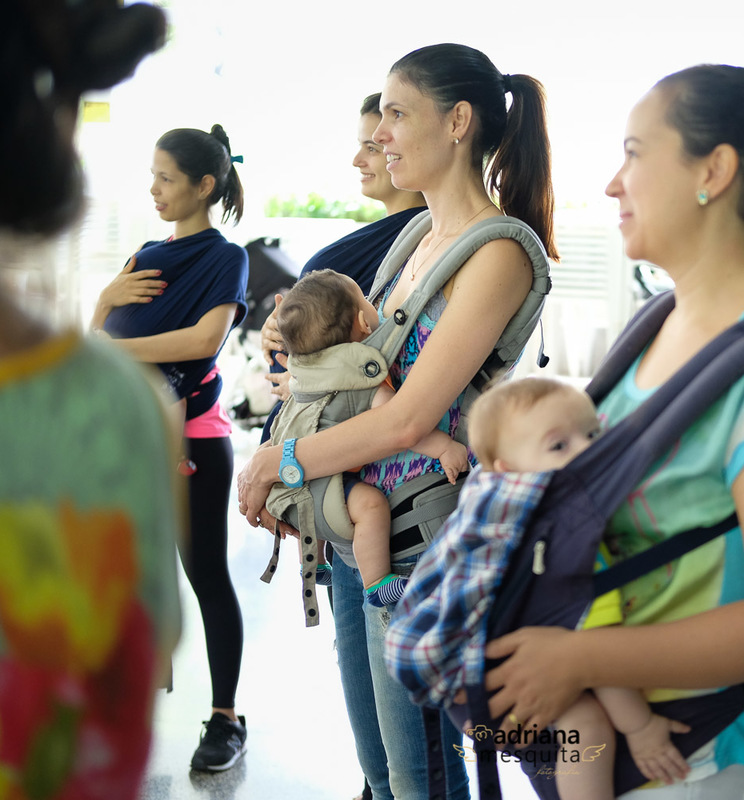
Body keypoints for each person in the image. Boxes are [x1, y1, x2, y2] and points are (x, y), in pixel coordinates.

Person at [479, 65, 744, 799]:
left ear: (712, 171)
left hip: (704, 759)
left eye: (633, 153)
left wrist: (578, 661)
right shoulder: (656, 324)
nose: (612, 184)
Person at [237, 42, 557, 800]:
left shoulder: (501, 253)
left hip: (419, 547)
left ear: (458, 122)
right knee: (381, 773)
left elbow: (409, 418)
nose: (379, 134)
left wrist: (279, 463)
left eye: (396, 114)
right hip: (358, 529)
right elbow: (364, 372)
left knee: (423, 778)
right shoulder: (414, 237)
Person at [0, 3, 180, 799]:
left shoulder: (201, 266)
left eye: (166, 178)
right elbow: (103, 736)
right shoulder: (109, 409)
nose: (155, 190)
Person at [91, 125, 250, 770]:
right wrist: (103, 300)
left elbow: (202, 342)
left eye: (166, 178)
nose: (153, 190)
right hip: (128, 436)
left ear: (204, 185)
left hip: (194, 441)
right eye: (152, 177)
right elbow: (93, 342)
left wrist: (117, 347)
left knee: (205, 574)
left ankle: (225, 719)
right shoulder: (146, 253)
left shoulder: (226, 258)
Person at [467, 377, 692, 798]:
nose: (587, 451)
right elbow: (596, 653)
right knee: (587, 725)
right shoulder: (566, 544)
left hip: (481, 671)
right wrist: (641, 728)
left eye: (592, 434)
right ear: (508, 471)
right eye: (558, 445)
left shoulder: (490, 510)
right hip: (503, 680)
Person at [267, 269, 469, 606]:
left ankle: (313, 564)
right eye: (366, 299)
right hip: (321, 493)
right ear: (363, 321)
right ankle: (377, 583)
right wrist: (444, 447)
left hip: (292, 492)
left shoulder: (304, 373)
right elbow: (398, 424)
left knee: (315, 498)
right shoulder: (358, 377)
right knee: (371, 506)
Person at [258, 92, 428, 444]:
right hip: (296, 424)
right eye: (361, 145)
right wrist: (277, 329)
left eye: (372, 148)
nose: (356, 160)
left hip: (325, 429)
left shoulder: (423, 242)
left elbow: (383, 349)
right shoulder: (382, 235)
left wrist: (308, 382)